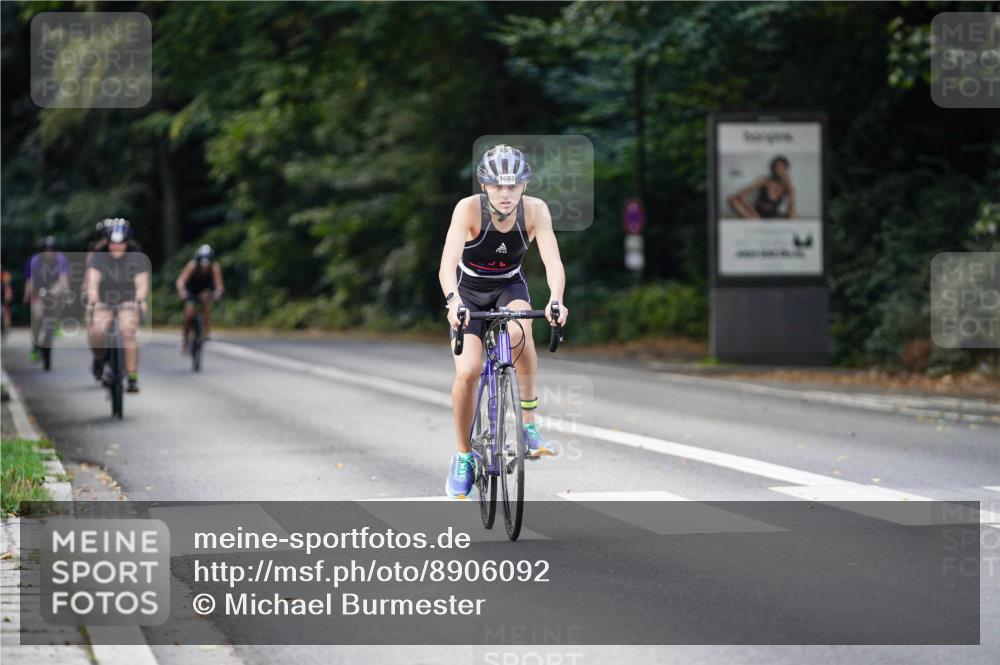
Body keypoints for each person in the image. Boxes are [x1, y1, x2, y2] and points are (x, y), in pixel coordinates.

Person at [438, 144, 569, 499]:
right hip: (469, 290)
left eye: (513, 186)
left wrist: (556, 299)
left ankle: (528, 425)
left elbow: (553, 262)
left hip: (509, 285)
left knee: (520, 328)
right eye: (498, 186)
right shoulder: (468, 209)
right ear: (485, 186)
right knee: (467, 372)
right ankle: (464, 455)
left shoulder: (536, 211)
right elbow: (447, 262)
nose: (506, 193)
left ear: (524, 186)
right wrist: (453, 302)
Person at [86, 219, 149, 393]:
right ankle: (99, 357)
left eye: (120, 244)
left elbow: (141, 282)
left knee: (128, 333)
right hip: (104, 299)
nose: (116, 247)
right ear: (108, 242)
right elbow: (92, 282)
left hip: (127, 300)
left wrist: (139, 299)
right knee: (97, 331)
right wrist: (93, 299)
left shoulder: (136, 256)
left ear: (127, 242)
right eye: (113, 244)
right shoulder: (99, 255)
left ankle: (132, 376)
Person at [23, 236, 70, 362]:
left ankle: (56, 323)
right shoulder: (34, 261)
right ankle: (35, 347)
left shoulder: (60, 259)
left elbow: (63, 279)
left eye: (51, 249)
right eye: (46, 250)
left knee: (57, 297)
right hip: (38, 288)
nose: (48, 252)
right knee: (37, 317)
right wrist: (28, 295)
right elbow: (30, 281)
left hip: (53, 287)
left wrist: (64, 292)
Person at [175, 244, 224, 353]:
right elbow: (181, 281)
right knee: (189, 315)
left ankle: (206, 332)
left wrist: (218, 292)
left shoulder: (215, 267)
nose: (204, 267)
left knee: (206, 304)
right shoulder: (192, 265)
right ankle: (185, 339)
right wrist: (182, 291)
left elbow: (219, 284)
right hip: (191, 291)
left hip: (205, 291)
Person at [727, 155, 798, 219]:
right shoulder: (764, 180)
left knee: (794, 216)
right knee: (732, 199)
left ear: (786, 169)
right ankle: (755, 220)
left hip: (774, 215)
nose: (779, 169)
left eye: (782, 167)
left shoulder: (788, 186)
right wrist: (753, 211)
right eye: (777, 167)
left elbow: (791, 207)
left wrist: (789, 185)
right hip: (757, 214)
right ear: (772, 168)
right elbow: (740, 194)